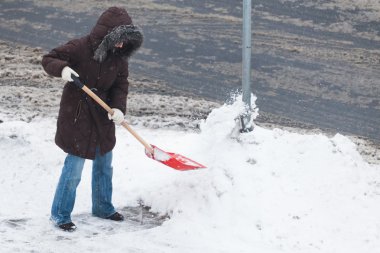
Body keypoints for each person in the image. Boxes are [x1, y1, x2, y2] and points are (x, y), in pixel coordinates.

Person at [41, 7, 143, 232]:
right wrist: (63, 69)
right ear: (107, 35)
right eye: (118, 40)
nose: (120, 45)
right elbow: (49, 59)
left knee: (104, 164)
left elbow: (120, 85)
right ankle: (60, 214)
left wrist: (118, 108)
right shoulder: (80, 47)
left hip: (103, 116)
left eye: (125, 41)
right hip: (77, 114)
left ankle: (103, 207)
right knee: (74, 169)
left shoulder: (119, 57)